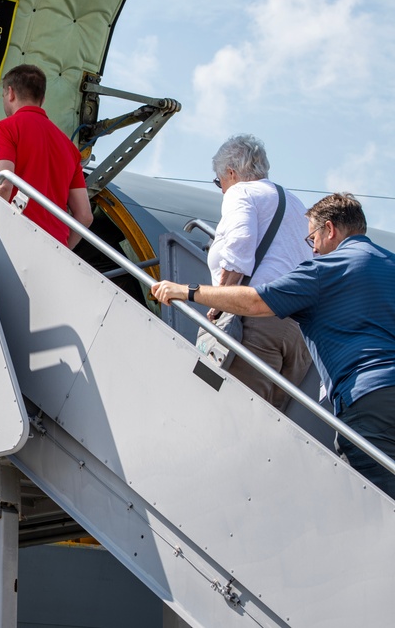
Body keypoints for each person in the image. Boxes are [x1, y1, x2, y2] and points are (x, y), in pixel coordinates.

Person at [152, 193, 395, 498]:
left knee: (373, 502)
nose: (314, 250)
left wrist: (187, 291)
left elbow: (255, 301)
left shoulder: (325, 270)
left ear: (330, 230)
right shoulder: (390, 263)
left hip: (366, 398)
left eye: (313, 239)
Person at [205, 134, 312, 410]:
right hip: (298, 336)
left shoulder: (241, 192)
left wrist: (219, 300)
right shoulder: (296, 205)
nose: (221, 189)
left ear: (231, 172)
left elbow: (239, 248)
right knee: (265, 426)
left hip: (257, 322)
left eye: (220, 182)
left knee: (232, 413)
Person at [0, 64, 93, 249]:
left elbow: (3, 185)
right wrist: (63, 249)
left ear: (10, 93)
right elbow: (84, 215)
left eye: (3, 95)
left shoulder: (5, 129)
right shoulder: (69, 148)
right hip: (53, 249)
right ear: (42, 99)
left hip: (15, 240)